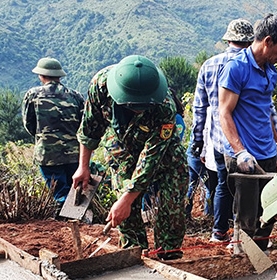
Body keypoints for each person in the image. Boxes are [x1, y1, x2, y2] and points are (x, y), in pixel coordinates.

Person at [72, 55, 187, 260]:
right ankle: (134, 256)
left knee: (172, 207)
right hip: (121, 150)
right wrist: (83, 166)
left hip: (165, 155)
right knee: (126, 213)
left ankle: (168, 256)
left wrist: (128, 197)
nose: (139, 110)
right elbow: (89, 129)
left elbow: (150, 158)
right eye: (134, 105)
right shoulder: (100, 86)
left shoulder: (164, 106)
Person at [218, 14, 277, 250]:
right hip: (244, 153)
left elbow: (265, 110)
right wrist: (240, 152)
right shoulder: (236, 68)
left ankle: (259, 253)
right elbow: (224, 113)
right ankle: (241, 254)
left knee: (270, 208)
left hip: (266, 150)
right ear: (268, 41)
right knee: (247, 212)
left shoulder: (270, 72)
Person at [190, 18, 254, 242]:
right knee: (246, 188)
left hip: (218, 138)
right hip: (245, 140)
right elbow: (266, 108)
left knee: (221, 185)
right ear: (250, 41)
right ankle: (243, 235)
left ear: (228, 39)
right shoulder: (252, 65)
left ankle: (219, 232)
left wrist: (197, 140)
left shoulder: (209, 65)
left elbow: (199, 107)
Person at [21, 57, 85, 216]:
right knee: (75, 189)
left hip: (48, 153)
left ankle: (66, 221)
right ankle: (77, 217)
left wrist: (43, 137)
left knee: (59, 193)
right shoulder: (75, 96)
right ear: (59, 76)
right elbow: (85, 125)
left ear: (41, 75)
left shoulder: (33, 95)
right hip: (75, 154)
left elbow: (29, 124)